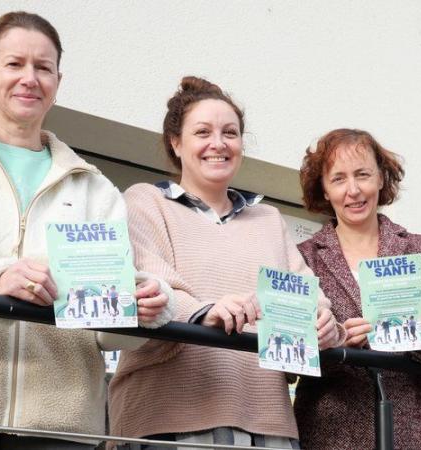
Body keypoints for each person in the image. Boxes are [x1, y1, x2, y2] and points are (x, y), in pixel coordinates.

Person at [0, 11, 172, 449]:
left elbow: (106, 326)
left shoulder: (95, 188)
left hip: (61, 427)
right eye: (14, 64)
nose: (29, 78)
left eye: (43, 67)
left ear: (57, 82)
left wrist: (141, 304)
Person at [108, 76, 345, 449]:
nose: (218, 144)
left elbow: (306, 294)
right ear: (176, 143)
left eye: (230, 133)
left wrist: (325, 325)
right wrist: (205, 311)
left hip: (268, 422)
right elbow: (148, 282)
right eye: (202, 132)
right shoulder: (144, 201)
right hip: (168, 416)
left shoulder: (268, 218)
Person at [294, 128, 421, 450]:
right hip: (332, 430)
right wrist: (335, 344)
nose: (353, 190)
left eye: (363, 175)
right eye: (338, 179)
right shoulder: (301, 256)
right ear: (323, 187)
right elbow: (291, 352)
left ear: (380, 178)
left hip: (418, 428)